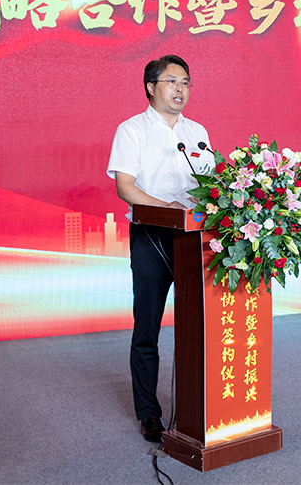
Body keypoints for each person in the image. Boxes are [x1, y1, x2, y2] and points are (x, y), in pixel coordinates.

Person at [106, 55, 213, 443]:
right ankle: (148, 412)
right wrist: (166, 208)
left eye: (185, 82)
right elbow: (126, 187)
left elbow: (210, 185)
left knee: (200, 326)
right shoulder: (132, 130)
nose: (180, 89)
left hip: (193, 238)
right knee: (148, 326)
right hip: (151, 236)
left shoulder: (197, 132)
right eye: (171, 81)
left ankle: (199, 406)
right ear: (151, 87)